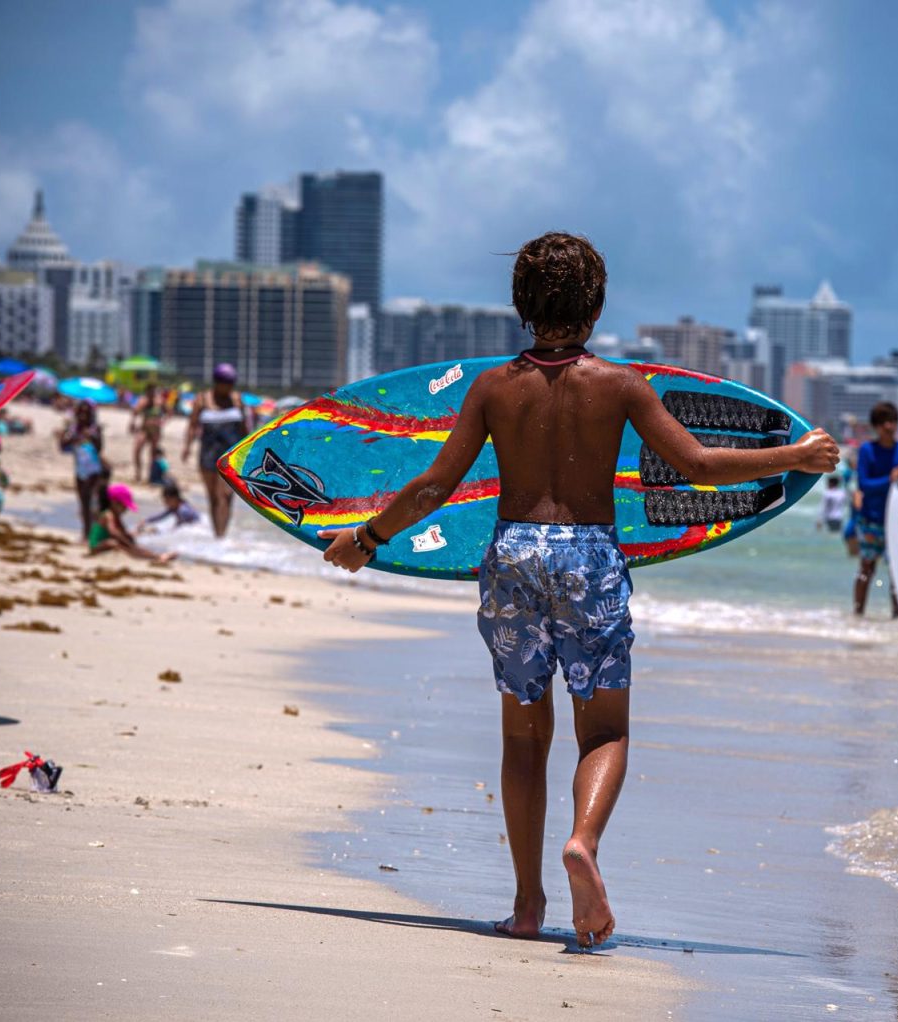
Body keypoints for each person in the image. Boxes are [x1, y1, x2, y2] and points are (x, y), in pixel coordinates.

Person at [316, 232, 838, 948]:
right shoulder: (622, 385)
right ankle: (583, 843)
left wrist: (367, 539)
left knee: (523, 736)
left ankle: (528, 907)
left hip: (512, 555)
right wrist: (796, 455)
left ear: (521, 307)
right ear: (595, 307)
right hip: (589, 560)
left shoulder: (493, 387)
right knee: (605, 730)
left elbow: (438, 485)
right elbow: (697, 466)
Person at [853, 401, 898, 616]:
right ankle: (857, 616)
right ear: (876, 426)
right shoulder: (868, 450)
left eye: (894, 420)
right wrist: (889, 480)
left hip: (897, 522)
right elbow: (864, 485)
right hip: (871, 519)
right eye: (885, 421)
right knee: (866, 569)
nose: (890, 425)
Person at [182, 364, 251, 538]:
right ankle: (217, 535)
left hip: (231, 455)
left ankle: (223, 533)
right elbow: (192, 425)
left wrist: (250, 450)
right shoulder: (203, 400)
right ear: (216, 382)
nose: (228, 386)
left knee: (227, 496)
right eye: (225, 382)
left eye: (231, 382)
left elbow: (245, 429)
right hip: (208, 453)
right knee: (213, 496)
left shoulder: (237, 400)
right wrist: (187, 447)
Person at [89, 482, 176, 563]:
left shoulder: (117, 517)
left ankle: (156, 555)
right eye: (124, 506)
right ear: (114, 502)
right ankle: (156, 557)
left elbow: (123, 532)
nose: (125, 510)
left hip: (107, 543)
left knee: (129, 543)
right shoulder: (108, 514)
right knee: (117, 543)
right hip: (96, 545)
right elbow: (113, 532)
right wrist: (128, 543)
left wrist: (130, 537)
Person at [59, 401, 105, 540]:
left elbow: (99, 448)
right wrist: (68, 435)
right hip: (79, 469)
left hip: (94, 470)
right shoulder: (73, 429)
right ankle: (86, 533)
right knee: (83, 502)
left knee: (93, 502)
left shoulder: (94, 429)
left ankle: (94, 533)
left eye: (86, 413)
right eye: (81, 412)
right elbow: (62, 446)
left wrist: (91, 437)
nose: (83, 416)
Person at [131, 384, 166, 483]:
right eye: (149, 392)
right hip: (145, 429)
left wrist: (163, 422)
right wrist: (132, 423)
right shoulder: (143, 401)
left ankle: (151, 475)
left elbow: (169, 411)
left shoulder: (159, 401)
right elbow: (135, 412)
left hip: (155, 430)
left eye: (152, 392)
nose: (150, 394)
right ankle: (138, 473)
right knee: (137, 449)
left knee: (153, 453)